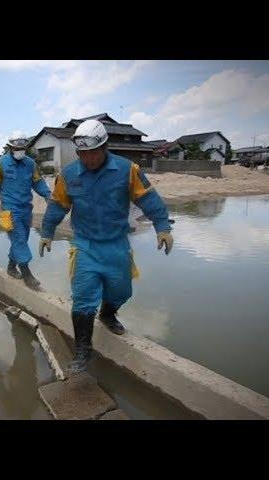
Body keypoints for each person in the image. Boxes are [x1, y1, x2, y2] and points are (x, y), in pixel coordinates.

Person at [39, 120, 173, 373]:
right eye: (82, 153)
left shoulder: (127, 169)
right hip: (85, 245)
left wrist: (163, 226)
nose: (87, 158)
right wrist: (46, 232)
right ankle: (82, 350)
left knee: (121, 291)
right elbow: (57, 206)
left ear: (105, 147)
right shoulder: (68, 175)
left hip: (116, 244)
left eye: (92, 152)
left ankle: (108, 314)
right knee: (82, 299)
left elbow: (148, 198)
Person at [0, 135, 51, 290]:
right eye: (17, 149)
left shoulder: (30, 164)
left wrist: (48, 195)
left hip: (26, 209)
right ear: (10, 148)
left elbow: (38, 182)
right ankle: (26, 274)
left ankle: (10, 267)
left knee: (20, 240)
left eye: (22, 148)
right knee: (19, 240)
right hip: (9, 210)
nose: (20, 151)